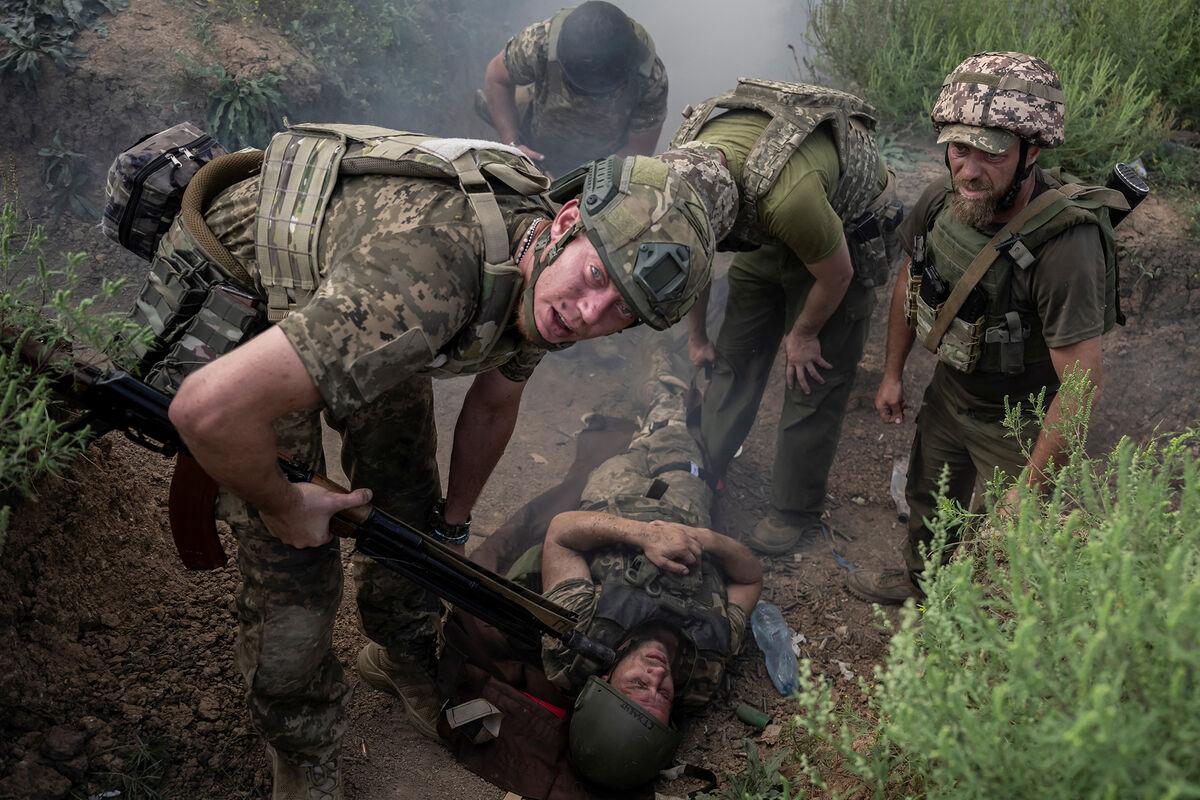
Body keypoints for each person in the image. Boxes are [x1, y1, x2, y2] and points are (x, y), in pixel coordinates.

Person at [154, 123, 717, 800]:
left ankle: (400, 649)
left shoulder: (551, 282)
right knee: (296, 569)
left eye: (618, 311)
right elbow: (206, 410)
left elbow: (493, 401)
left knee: (409, 502)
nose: (589, 311)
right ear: (567, 222)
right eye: (597, 277)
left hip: (351, 299)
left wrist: (453, 523)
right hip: (250, 295)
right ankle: (303, 745)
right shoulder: (432, 282)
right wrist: (283, 501)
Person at [845, 52, 1126, 604]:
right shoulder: (939, 202)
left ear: (1032, 151)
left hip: (1019, 421)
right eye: (958, 148)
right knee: (930, 501)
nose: (968, 170)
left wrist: (1032, 484)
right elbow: (910, 281)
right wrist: (893, 372)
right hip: (951, 393)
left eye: (990, 154)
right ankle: (922, 587)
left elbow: (1083, 384)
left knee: (1008, 556)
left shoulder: (1066, 248)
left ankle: (979, 648)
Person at [434, 340, 763, 796]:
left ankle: (642, 354)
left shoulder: (577, 641)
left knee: (632, 431)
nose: (656, 677)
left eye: (636, 687)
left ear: (605, 679)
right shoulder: (703, 668)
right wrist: (700, 539)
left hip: (616, 494)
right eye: (663, 696)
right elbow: (750, 577)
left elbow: (562, 532)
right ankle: (664, 377)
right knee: (675, 426)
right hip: (687, 501)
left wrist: (644, 534)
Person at [668, 77, 901, 556]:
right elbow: (693, 257)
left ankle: (793, 508)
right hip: (767, 225)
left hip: (842, 233)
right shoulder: (673, 180)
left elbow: (836, 275)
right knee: (735, 355)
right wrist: (697, 336)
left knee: (811, 374)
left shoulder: (786, 199)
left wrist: (805, 333)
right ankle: (705, 471)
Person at [476, 1, 668, 177]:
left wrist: (586, 184)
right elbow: (497, 77)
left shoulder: (650, 78)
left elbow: (636, 148)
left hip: (604, 154)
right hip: (540, 120)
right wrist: (513, 145)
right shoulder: (539, 42)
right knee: (498, 106)